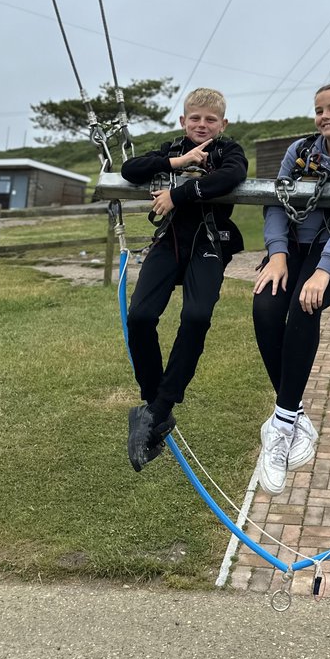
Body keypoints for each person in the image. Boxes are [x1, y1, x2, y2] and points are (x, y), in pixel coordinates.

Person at [252, 83, 330, 495]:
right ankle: (294, 417)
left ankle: (281, 426)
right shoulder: (300, 150)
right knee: (266, 308)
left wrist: (324, 270)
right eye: (319, 110)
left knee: (303, 309)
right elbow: (277, 199)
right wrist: (276, 253)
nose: (325, 116)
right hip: (291, 248)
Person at [120, 88, 247, 471]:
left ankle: (161, 407)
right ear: (183, 121)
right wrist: (178, 161)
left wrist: (179, 194)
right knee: (140, 316)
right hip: (170, 240)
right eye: (196, 118)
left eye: (210, 120)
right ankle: (153, 406)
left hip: (208, 241)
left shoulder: (228, 150)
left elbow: (232, 177)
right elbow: (131, 170)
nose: (202, 125)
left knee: (195, 316)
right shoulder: (171, 148)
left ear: (222, 124)